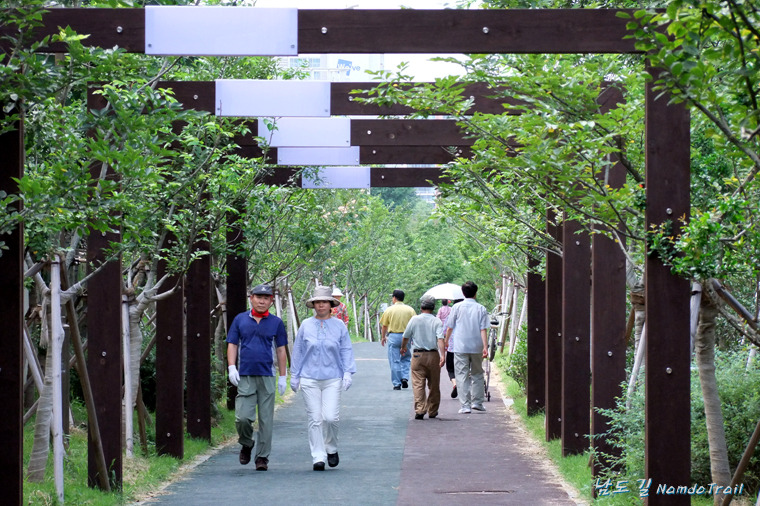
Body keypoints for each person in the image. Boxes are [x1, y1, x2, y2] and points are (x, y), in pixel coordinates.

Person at [291, 286, 357, 471]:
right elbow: (298, 351)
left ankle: (331, 447)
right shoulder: (305, 325)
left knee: (330, 418)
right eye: (317, 302)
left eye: (324, 302)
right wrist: (294, 375)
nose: (321, 305)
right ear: (313, 305)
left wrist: (347, 372)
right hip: (309, 377)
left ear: (330, 305)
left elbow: (346, 349)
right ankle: (318, 456)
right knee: (315, 418)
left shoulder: (339, 326)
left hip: (332, 377)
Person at [226, 283, 288, 471]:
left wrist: (283, 376)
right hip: (245, 374)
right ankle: (247, 442)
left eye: (266, 298)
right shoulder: (240, 319)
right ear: (251, 298)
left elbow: (280, 349)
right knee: (242, 418)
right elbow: (232, 344)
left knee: (266, 419)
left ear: (271, 301)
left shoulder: (276, 322)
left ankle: (262, 457)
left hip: (267, 375)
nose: (262, 301)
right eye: (258, 297)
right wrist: (231, 367)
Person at [444, 282, 489, 414]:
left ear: (463, 293)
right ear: (476, 292)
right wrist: (485, 346)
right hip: (477, 346)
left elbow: (450, 327)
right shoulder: (481, 308)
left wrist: (446, 341)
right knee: (477, 374)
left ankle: (465, 406)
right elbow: (483, 329)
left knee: (461, 375)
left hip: (460, 346)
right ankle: (478, 402)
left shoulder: (456, 307)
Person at [401, 294, 445, 420]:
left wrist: (403, 347)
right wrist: (443, 355)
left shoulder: (414, 319)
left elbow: (406, 336)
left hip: (418, 355)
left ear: (421, 307)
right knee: (434, 384)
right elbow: (440, 339)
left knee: (418, 383)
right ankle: (432, 410)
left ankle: (420, 410)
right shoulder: (437, 321)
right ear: (433, 308)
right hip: (433, 355)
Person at [379, 289, 416, 390]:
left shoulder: (389, 310)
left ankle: (396, 383)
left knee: (394, 360)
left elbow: (384, 326)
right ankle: (404, 378)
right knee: (406, 357)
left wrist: (383, 337)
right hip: (407, 337)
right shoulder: (410, 310)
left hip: (394, 336)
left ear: (394, 298)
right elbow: (414, 325)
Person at [437, 299, 457, 398]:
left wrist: (446, 341)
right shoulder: (450, 310)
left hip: (452, 347)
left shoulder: (443, 310)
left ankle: (454, 383)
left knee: (450, 368)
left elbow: (446, 329)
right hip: (466, 348)